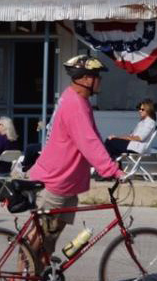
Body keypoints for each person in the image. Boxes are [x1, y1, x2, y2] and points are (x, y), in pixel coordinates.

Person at [27, 55, 125, 263]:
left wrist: (111, 159)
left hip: (68, 181)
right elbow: (87, 141)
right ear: (87, 79)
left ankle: (41, 277)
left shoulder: (79, 100)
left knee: (51, 236)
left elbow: (94, 137)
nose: (100, 81)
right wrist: (111, 170)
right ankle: (19, 280)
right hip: (56, 180)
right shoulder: (75, 104)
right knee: (39, 236)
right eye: (98, 76)